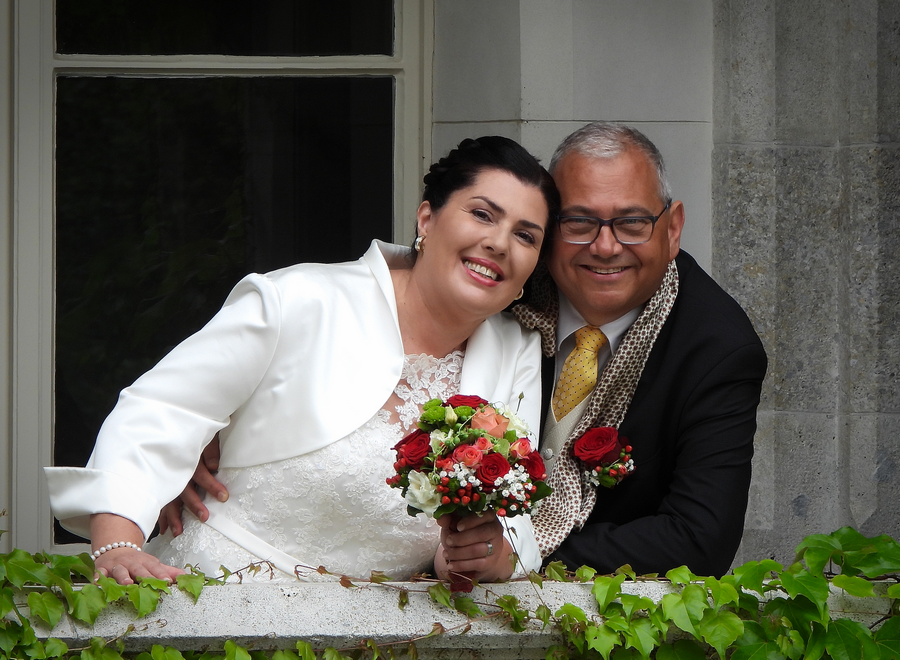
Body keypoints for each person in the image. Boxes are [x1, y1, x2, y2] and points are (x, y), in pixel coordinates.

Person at [45, 136, 560, 586]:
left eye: (526, 235)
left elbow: (504, 520)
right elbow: (162, 410)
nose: (499, 243)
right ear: (427, 218)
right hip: (215, 595)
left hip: (379, 635)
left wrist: (479, 555)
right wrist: (118, 545)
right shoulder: (298, 298)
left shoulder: (516, 353)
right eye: (482, 214)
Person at [515, 122, 767, 578]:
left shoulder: (717, 348)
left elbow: (701, 538)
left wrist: (521, 555)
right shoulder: (505, 295)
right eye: (579, 222)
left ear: (673, 229)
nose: (605, 246)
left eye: (632, 222)